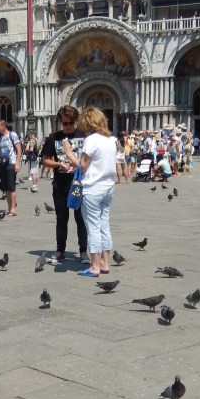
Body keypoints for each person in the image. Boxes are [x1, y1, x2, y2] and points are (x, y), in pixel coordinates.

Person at [62, 107, 117, 277]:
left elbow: (83, 166)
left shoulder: (91, 140)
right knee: (104, 224)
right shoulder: (111, 139)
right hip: (108, 187)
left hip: (93, 189)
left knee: (92, 227)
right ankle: (104, 262)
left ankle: (94, 267)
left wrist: (69, 152)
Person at [41, 106, 89, 264]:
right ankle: (60, 250)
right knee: (61, 218)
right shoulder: (54, 138)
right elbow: (45, 159)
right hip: (60, 184)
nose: (68, 126)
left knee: (80, 218)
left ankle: (83, 251)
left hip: (79, 184)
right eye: (65, 123)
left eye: (71, 123)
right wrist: (59, 164)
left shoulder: (84, 136)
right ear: (61, 121)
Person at [0, 119, 21, 216]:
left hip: (11, 163)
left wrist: (17, 163)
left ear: (3, 126)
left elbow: (19, 149)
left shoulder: (12, 135)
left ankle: (13, 209)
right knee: (5, 188)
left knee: (11, 187)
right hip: (2, 163)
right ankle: (9, 208)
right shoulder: (0, 138)